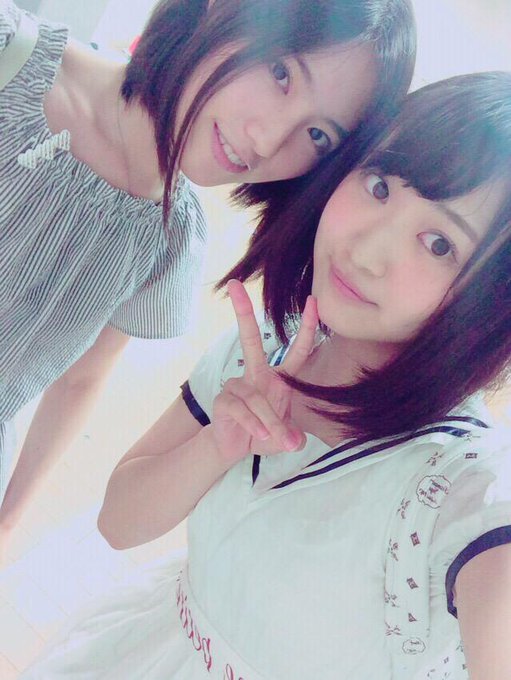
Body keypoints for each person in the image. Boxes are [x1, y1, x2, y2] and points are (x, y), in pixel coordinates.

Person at [22, 71, 511, 679]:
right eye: (380, 186)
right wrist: (218, 445)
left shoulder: (464, 488)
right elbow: (117, 523)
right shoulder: (268, 350)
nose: (365, 251)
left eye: (438, 244)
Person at [0, 0, 417, 550]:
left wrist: (9, 521)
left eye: (318, 135)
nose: (268, 140)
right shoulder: (10, 58)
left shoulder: (170, 240)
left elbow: (80, 379)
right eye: (282, 72)